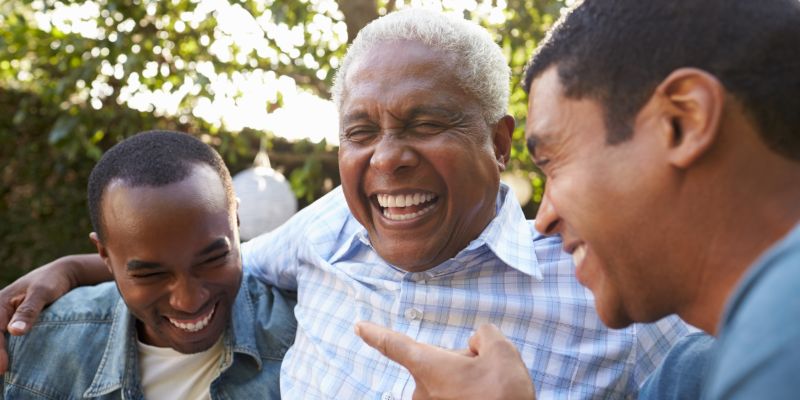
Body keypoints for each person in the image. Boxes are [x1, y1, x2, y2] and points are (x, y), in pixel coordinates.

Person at [0, 9, 690, 399]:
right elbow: (205, 264)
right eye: (361, 132)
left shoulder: (614, 296)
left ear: (500, 140)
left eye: (426, 123)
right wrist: (70, 271)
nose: (387, 157)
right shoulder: (329, 229)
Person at [355, 0, 800, 399]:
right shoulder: (694, 370)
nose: (543, 219)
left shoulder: (783, 334)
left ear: (683, 122)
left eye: (551, 160)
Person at [1, 131, 297, 399]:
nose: (189, 300)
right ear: (104, 255)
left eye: (213, 260)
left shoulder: (303, 333)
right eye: (150, 274)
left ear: (237, 222)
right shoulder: (31, 350)